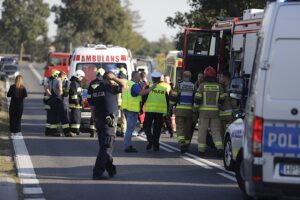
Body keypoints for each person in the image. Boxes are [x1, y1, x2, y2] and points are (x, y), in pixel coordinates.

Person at [92, 66, 127, 180]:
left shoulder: (96, 90)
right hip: (108, 122)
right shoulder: (110, 88)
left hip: (99, 121)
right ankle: (97, 172)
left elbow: (92, 107)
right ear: (109, 79)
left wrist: (94, 120)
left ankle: (110, 168)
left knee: (105, 147)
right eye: (112, 79)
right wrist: (115, 78)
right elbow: (124, 86)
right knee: (106, 147)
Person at [193, 66, 226, 157]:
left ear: (205, 76)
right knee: (216, 132)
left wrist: (195, 110)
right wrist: (219, 104)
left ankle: (201, 151)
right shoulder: (219, 86)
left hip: (203, 113)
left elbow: (197, 99)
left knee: (202, 132)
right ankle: (219, 148)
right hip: (215, 113)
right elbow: (222, 97)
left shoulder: (202, 86)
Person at [122, 71, 155, 153]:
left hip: (126, 108)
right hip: (132, 110)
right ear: (134, 77)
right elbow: (142, 93)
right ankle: (127, 146)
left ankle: (127, 145)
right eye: (138, 77)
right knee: (130, 129)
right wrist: (151, 88)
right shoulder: (134, 85)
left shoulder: (127, 83)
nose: (139, 78)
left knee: (129, 129)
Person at [170, 71, 195, 153]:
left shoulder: (179, 85)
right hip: (189, 111)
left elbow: (173, 97)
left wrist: (170, 108)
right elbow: (195, 99)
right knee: (188, 128)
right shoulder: (193, 86)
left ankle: (181, 143)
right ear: (190, 77)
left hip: (180, 110)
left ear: (183, 76)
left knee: (180, 127)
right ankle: (187, 144)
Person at [143, 71, 168, 151]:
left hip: (150, 110)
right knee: (157, 129)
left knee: (146, 126)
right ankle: (156, 146)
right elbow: (167, 101)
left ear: (153, 79)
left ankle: (150, 140)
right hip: (160, 111)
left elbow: (143, 98)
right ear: (159, 79)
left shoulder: (148, 87)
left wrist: (140, 108)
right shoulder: (163, 89)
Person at [49, 71, 73, 137]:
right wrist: (61, 92)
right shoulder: (59, 81)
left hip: (52, 100)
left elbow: (49, 89)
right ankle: (67, 132)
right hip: (58, 100)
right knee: (63, 116)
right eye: (64, 77)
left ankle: (53, 131)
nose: (64, 79)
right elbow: (60, 88)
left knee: (54, 116)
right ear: (62, 76)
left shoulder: (53, 81)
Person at [219, 71, 239, 139]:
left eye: (221, 77)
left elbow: (234, 103)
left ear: (225, 77)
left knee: (227, 136)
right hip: (223, 117)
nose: (220, 78)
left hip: (229, 118)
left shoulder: (231, 88)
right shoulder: (224, 87)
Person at [87, 68, 105, 138]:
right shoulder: (104, 82)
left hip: (94, 102)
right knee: (101, 116)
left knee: (93, 116)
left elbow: (89, 94)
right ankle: (100, 131)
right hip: (102, 103)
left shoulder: (92, 82)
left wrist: (89, 101)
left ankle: (92, 132)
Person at [69, 70, 85, 135]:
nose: (82, 78)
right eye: (81, 77)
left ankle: (76, 130)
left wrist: (81, 101)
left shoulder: (78, 83)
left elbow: (79, 93)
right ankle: (75, 130)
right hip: (74, 105)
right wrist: (77, 102)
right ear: (78, 76)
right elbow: (74, 95)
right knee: (75, 118)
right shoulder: (74, 83)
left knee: (77, 118)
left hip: (77, 104)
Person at [44, 70, 60, 136]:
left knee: (49, 119)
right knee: (54, 118)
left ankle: (47, 131)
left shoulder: (49, 82)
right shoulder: (54, 82)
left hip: (48, 103)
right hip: (51, 103)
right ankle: (53, 131)